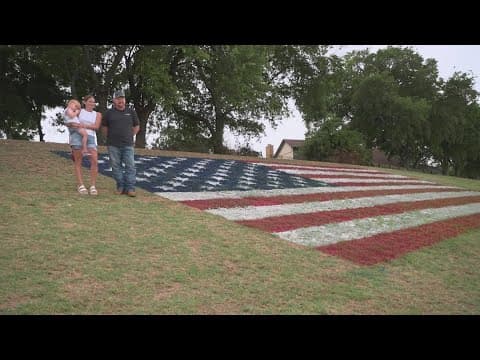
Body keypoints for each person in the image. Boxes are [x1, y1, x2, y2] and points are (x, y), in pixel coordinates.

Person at [101, 90, 140, 197]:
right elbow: (104, 128)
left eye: (122, 98)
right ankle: (120, 186)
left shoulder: (131, 111)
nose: (120, 101)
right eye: (118, 99)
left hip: (128, 144)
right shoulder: (109, 113)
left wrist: (130, 135)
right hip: (113, 145)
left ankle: (130, 188)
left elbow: (136, 126)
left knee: (130, 166)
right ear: (114, 100)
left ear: (125, 100)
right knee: (115, 166)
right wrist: (108, 138)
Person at [66, 95, 102, 195]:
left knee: (94, 160)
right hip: (77, 136)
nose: (92, 104)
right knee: (78, 161)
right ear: (84, 102)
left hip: (90, 137)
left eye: (93, 102)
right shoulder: (79, 111)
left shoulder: (97, 114)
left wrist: (83, 125)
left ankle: (93, 186)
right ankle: (80, 185)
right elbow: (70, 122)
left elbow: (96, 126)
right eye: (90, 101)